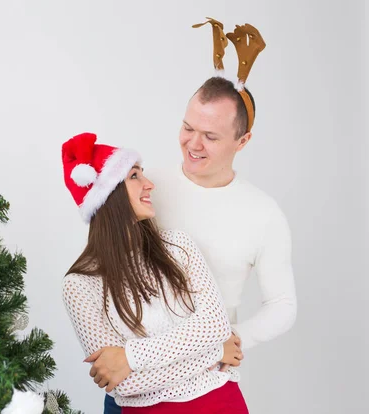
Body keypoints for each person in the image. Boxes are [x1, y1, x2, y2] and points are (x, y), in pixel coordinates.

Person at [102, 19, 296, 413]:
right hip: (138, 379)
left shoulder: (263, 214)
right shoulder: (146, 185)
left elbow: (283, 305)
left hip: (206, 385)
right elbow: (108, 263)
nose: (193, 144)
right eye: (188, 127)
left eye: (210, 136)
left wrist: (231, 338)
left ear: (243, 141)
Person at [61, 132, 248, 413]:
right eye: (134, 176)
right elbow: (123, 384)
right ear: (108, 194)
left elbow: (214, 326)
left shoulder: (178, 246)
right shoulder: (79, 285)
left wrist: (130, 357)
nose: (149, 185)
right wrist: (216, 352)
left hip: (221, 401)